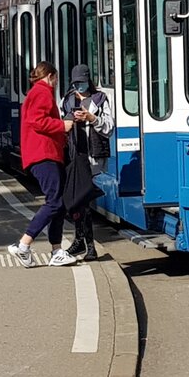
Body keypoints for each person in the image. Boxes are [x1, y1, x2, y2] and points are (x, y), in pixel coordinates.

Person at [7, 61, 77, 268]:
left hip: (43, 154)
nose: (56, 83)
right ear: (51, 76)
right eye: (55, 79)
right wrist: (62, 125)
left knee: (59, 203)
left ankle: (57, 250)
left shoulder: (36, 92)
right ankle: (23, 244)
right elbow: (36, 121)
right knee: (55, 202)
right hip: (44, 154)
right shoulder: (42, 92)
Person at [60, 64, 113, 262]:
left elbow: (109, 127)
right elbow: (60, 123)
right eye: (75, 84)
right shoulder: (67, 100)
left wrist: (92, 118)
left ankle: (88, 245)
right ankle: (81, 241)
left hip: (92, 158)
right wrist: (69, 121)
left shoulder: (100, 99)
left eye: (81, 83)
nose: (78, 87)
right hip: (74, 155)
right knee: (76, 201)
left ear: (88, 81)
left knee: (84, 201)